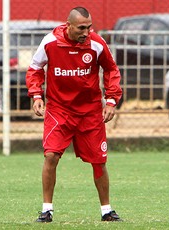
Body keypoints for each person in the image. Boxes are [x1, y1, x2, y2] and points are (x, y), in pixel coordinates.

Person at [26, 6, 122, 222]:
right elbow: (35, 68)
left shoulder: (96, 43)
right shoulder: (50, 41)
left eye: (89, 27)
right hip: (59, 110)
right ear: (68, 25)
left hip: (90, 113)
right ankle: (46, 210)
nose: (86, 32)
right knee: (51, 155)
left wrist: (111, 100)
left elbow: (111, 69)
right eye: (81, 28)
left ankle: (106, 210)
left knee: (99, 161)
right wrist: (36, 95)